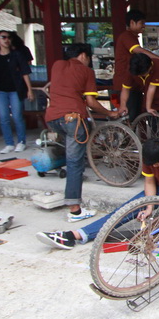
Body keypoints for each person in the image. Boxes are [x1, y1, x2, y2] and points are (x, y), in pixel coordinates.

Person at [35, 137, 159, 249]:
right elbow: (149, 182)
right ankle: (76, 235)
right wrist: (149, 208)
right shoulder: (150, 156)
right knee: (126, 209)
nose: (154, 166)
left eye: (157, 164)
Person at [45, 43, 122, 223]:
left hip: (52, 119)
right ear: (83, 55)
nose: (89, 61)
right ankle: (75, 210)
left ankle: (74, 183)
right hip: (73, 119)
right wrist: (110, 113)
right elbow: (91, 102)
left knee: (73, 155)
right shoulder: (87, 72)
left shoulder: (57, 65)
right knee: (74, 163)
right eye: (89, 58)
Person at [113, 9, 159, 120]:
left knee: (139, 116)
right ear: (132, 22)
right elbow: (139, 51)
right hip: (127, 81)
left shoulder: (133, 37)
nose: (144, 26)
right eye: (142, 23)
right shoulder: (126, 36)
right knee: (131, 116)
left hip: (136, 84)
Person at [0, 30, 34, 154]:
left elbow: (25, 73)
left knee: (17, 116)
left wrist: (29, 89)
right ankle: (9, 143)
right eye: (3, 37)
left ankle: (21, 142)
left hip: (15, 90)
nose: (6, 40)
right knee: (3, 118)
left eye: (8, 38)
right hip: (0, 91)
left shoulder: (17, 55)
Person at [125, 53, 159, 122]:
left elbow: (152, 87)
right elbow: (125, 88)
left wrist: (148, 107)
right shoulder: (133, 68)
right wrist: (123, 105)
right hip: (149, 99)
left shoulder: (158, 65)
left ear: (150, 67)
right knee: (152, 124)